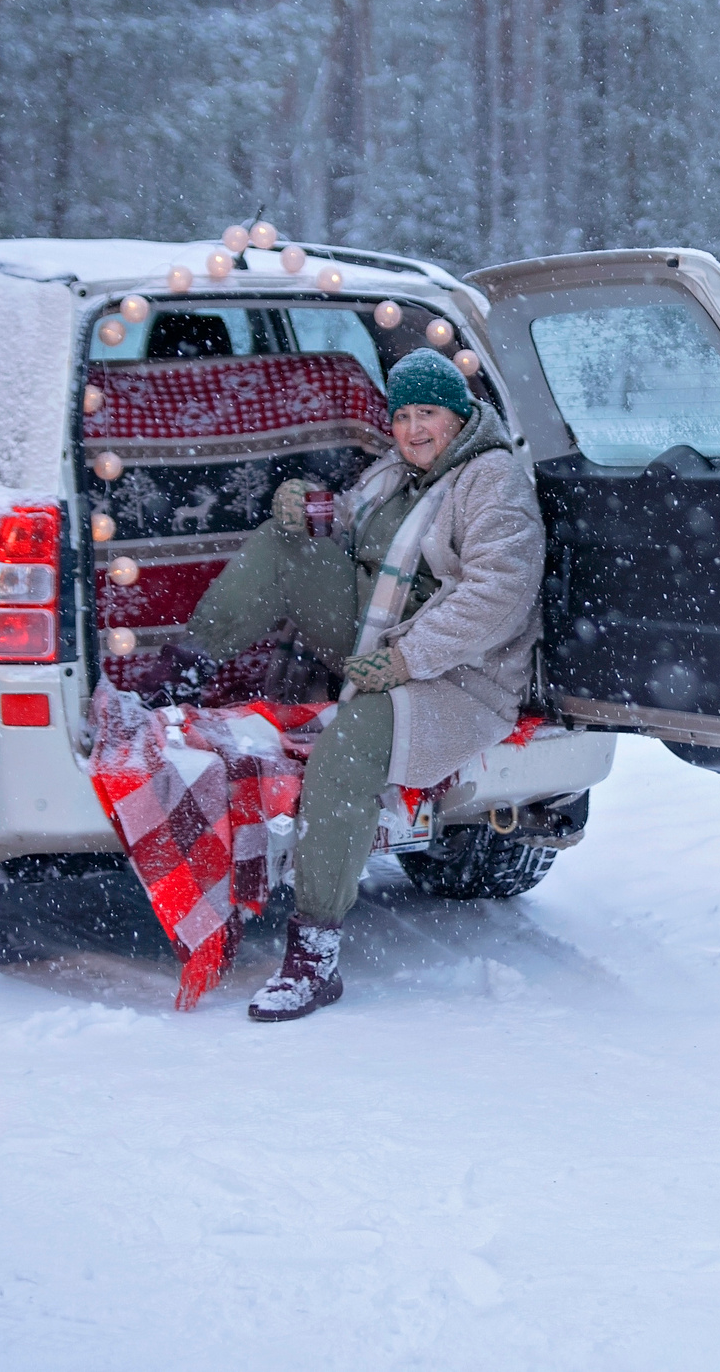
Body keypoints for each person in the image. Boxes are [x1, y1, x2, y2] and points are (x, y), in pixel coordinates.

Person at [173, 346, 542, 1021]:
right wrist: (305, 508)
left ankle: (313, 958)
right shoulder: (398, 472)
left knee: (345, 753)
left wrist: (407, 660)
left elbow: (501, 592)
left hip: (458, 674)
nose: (412, 428)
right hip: (376, 635)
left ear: (459, 416)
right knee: (283, 543)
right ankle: (185, 666)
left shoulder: (491, 480)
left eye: (427, 413)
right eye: (401, 415)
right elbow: (352, 523)